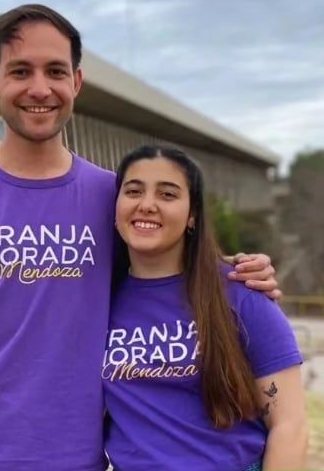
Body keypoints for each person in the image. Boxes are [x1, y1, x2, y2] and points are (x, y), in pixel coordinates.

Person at [0, 4, 281, 471]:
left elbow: (174, 269)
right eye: (20, 71)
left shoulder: (114, 200)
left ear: (76, 82)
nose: (39, 88)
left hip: (70, 460)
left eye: (55, 71)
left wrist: (239, 272)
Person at [103, 145, 308, 471]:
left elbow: (290, 427)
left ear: (193, 214)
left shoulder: (242, 294)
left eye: (167, 195)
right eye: (133, 191)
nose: (147, 205)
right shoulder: (99, 299)